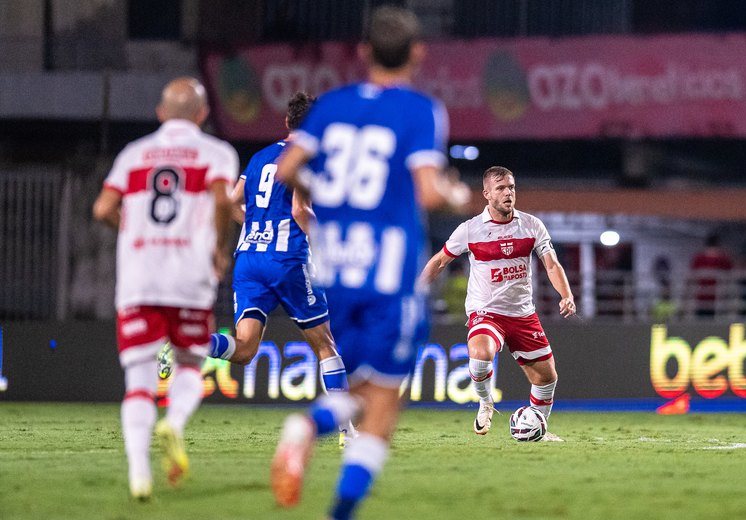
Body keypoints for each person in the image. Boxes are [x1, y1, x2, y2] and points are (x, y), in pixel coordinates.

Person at [270, 6, 470, 519]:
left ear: (362, 52)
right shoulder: (421, 110)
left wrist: (332, 197)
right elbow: (427, 192)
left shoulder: (331, 105)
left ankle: (307, 428)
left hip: (336, 266)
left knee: (360, 386)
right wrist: (454, 192)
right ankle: (330, 487)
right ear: (418, 54)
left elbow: (289, 166)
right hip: (389, 270)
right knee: (383, 402)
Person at [92, 77, 238, 500]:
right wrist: (217, 248)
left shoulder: (133, 154)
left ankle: (140, 474)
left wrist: (129, 228)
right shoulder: (216, 152)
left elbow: (103, 208)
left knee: (138, 380)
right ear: (202, 114)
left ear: (160, 113)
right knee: (190, 363)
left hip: (139, 278)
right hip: (189, 276)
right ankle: (173, 422)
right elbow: (221, 199)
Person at [199, 92, 353, 440]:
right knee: (326, 344)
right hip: (287, 260)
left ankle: (190, 344)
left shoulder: (258, 158)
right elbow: (300, 211)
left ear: (286, 122)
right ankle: (347, 430)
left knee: (246, 349)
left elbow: (232, 201)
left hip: (249, 260)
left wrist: (255, 227)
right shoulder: (308, 157)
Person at [421, 166, 575, 441]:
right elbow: (439, 261)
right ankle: (485, 402)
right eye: (501, 188)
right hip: (486, 311)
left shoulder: (531, 225)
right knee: (480, 355)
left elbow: (551, 264)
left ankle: (540, 428)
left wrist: (566, 294)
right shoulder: (470, 229)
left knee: (546, 378)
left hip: (522, 313)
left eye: (511, 187)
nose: (508, 193)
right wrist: (417, 289)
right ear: (487, 194)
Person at [690, 233, 733, 318]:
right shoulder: (723, 258)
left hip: (702, 297)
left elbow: (692, 277)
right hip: (717, 298)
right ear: (718, 244)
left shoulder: (699, 258)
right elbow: (730, 275)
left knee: (701, 324)